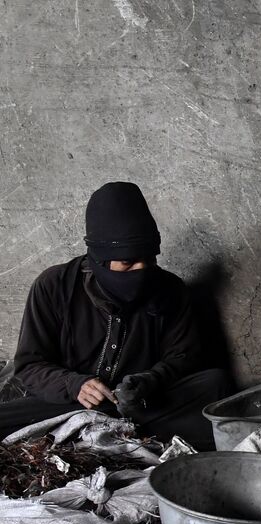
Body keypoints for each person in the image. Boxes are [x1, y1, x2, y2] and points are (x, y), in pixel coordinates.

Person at [0, 182, 230, 449]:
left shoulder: (170, 290)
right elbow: (30, 366)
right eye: (128, 263)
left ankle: (112, 434)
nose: (141, 270)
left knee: (216, 384)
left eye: (149, 260)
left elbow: (183, 357)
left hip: (141, 406)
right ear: (99, 259)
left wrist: (149, 381)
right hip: (69, 404)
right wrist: (75, 384)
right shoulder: (54, 286)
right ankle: (99, 431)